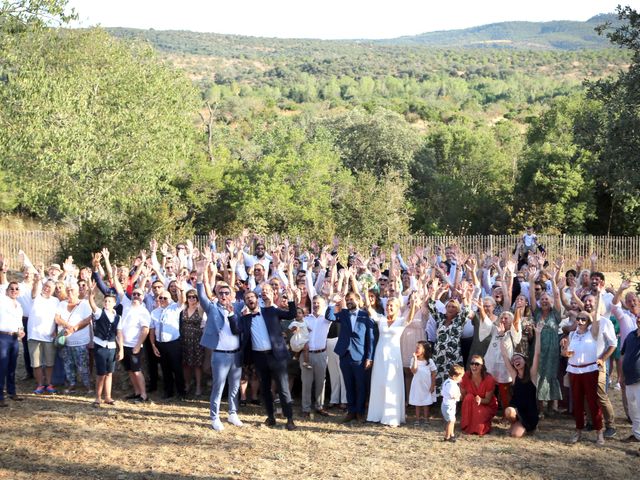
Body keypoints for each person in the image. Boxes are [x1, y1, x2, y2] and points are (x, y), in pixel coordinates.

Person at [237, 284, 298, 430]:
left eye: (252, 297)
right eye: (247, 298)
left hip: (276, 356)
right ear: (245, 302)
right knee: (265, 389)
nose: (250, 299)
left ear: (257, 299)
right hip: (259, 357)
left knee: (283, 388)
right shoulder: (244, 319)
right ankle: (271, 417)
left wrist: (290, 300)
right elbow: (238, 331)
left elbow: (291, 314)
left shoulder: (270, 311)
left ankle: (289, 419)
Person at [197, 261, 244, 431]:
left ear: (231, 295)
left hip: (236, 354)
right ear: (216, 294)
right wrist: (201, 275)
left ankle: (232, 413)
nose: (224, 295)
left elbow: (250, 297)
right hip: (220, 355)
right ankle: (214, 416)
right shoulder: (211, 308)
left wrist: (232, 265)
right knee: (219, 386)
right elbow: (201, 295)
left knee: (235, 385)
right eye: (221, 292)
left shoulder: (238, 307)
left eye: (227, 292)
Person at [365, 293, 417, 426]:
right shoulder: (381, 319)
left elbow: (410, 318)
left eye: (391, 305)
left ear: (397, 307)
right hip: (380, 355)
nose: (388, 307)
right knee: (379, 383)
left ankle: (391, 417)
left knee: (391, 384)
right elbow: (370, 309)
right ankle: (377, 414)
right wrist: (365, 291)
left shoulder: (400, 321)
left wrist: (413, 304)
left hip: (393, 357)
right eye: (387, 305)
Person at [325, 291, 375, 423]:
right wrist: (332, 302)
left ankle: (360, 412)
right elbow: (329, 316)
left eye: (351, 299)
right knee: (348, 385)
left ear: (358, 300)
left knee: (360, 385)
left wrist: (369, 357)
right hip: (344, 355)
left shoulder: (366, 316)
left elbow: (370, 338)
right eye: (347, 300)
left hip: (360, 356)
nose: (348, 301)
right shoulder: (343, 314)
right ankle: (351, 411)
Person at [561, 303, 604, 445]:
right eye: (578, 318)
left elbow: (597, 316)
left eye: (583, 319)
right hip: (574, 371)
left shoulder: (592, 332)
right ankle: (578, 430)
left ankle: (599, 432)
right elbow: (565, 353)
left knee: (593, 402)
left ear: (589, 322)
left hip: (589, 371)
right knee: (577, 403)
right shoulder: (572, 334)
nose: (580, 321)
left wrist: (599, 294)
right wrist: (564, 350)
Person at [72, 286, 121, 406]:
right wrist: (91, 295)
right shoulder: (99, 313)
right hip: (100, 346)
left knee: (109, 373)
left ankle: (108, 397)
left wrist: (122, 349)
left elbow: (119, 334)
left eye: (110, 301)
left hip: (112, 347)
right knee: (101, 373)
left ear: (114, 303)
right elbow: (92, 304)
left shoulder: (118, 317)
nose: (107, 303)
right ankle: (98, 397)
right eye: (105, 301)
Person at [500, 322, 543, 437]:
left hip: (530, 414)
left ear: (524, 360)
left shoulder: (532, 374)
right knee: (508, 411)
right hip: (517, 410)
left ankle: (529, 427)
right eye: (514, 360)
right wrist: (501, 337)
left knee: (515, 435)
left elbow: (537, 354)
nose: (515, 361)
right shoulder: (514, 375)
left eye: (518, 358)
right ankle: (515, 424)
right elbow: (504, 356)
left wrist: (538, 335)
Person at [54, 282, 93, 394]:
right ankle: (72, 384)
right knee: (68, 364)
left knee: (83, 365)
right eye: (68, 290)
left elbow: (88, 319)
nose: (70, 292)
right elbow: (57, 318)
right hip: (65, 341)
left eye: (72, 290)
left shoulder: (85, 304)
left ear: (77, 291)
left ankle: (87, 385)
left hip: (80, 341)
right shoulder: (62, 304)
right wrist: (68, 326)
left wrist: (74, 328)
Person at [149, 286, 187, 400]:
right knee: (165, 369)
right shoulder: (154, 312)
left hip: (173, 344)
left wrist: (181, 289)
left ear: (170, 299)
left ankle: (181, 392)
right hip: (160, 344)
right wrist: (153, 345)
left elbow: (182, 300)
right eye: (161, 298)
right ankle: (168, 392)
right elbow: (152, 330)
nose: (163, 300)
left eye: (165, 298)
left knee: (177, 368)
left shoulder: (175, 308)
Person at [298, 295, 332, 418]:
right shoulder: (306, 319)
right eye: (314, 303)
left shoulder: (327, 319)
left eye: (318, 303)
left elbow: (332, 312)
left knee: (320, 382)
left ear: (323, 305)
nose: (316, 305)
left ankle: (319, 406)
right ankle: (306, 408)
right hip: (306, 354)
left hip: (321, 354)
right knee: (306, 383)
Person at [116, 287, 150, 402]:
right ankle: (137, 392)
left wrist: (137, 345)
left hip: (134, 346)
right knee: (129, 370)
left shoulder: (143, 311)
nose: (136, 296)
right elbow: (119, 289)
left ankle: (144, 395)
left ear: (143, 297)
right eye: (134, 294)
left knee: (136, 370)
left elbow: (145, 330)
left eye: (139, 294)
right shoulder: (126, 305)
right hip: (123, 344)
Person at [28, 277, 60, 394]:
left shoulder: (55, 301)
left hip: (49, 337)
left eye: (49, 287)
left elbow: (57, 317)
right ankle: (40, 385)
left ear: (53, 290)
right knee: (36, 363)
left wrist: (56, 330)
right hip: (34, 336)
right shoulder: (36, 297)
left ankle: (48, 383)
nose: (46, 289)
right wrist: (37, 281)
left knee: (49, 363)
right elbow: (34, 290)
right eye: (45, 286)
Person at [0, 279, 25, 407]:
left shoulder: (19, 306)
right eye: (12, 288)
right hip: (3, 337)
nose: (14, 291)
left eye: (16, 289)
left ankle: (11, 391)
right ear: (7, 291)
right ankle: (0, 396)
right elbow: (2, 282)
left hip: (14, 339)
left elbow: (19, 323)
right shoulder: (3, 301)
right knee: (2, 367)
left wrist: (21, 331)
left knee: (12, 366)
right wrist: (3, 270)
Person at [459, 354, 499, 435]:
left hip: (486, 404)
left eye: (477, 364)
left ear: (482, 366)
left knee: (479, 429)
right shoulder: (466, 376)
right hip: (472, 403)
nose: (474, 366)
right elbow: (463, 396)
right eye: (472, 363)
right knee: (468, 397)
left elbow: (488, 400)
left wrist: (480, 400)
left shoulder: (489, 379)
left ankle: (481, 423)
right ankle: (467, 424)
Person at [620, 306, 640, 444]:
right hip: (629, 379)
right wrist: (621, 376)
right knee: (633, 411)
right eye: (639, 318)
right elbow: (623, 355)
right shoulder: (631, 335)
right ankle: (637, 434)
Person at [180, 288, 205, 396]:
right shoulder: (184, 309)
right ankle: (187, 384)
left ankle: (199, 386)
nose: (191, 298)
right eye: (189, 296)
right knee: (185, 364)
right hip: (184, 339)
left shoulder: (200, 309)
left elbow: (205, 299)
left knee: (197, 365)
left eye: (194, 297)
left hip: (197, 340)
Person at [409, 340, 436, 425]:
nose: (416, 349)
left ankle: (426, 419)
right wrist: (415, 359)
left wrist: (432, 385)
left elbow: (434, 373)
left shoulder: (429, 361)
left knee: (426, 402)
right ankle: (417, 419)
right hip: (417, 385)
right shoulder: (413, 360)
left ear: (424, 350)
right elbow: (414, 370)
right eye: (416, 347)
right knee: (417, 402)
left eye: (418, 347)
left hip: (426, 385)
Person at [441, 364, 464, 442]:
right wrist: (458, 395)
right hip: (448, 406)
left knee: (452, 420)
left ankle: (452, 434)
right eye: (460, 377)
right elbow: (452, 394)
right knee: (450, 421)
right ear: (454, 376)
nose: (461, 379)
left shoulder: (447, 381)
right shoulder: (451, 384)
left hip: (447, 404)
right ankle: (447, 437)